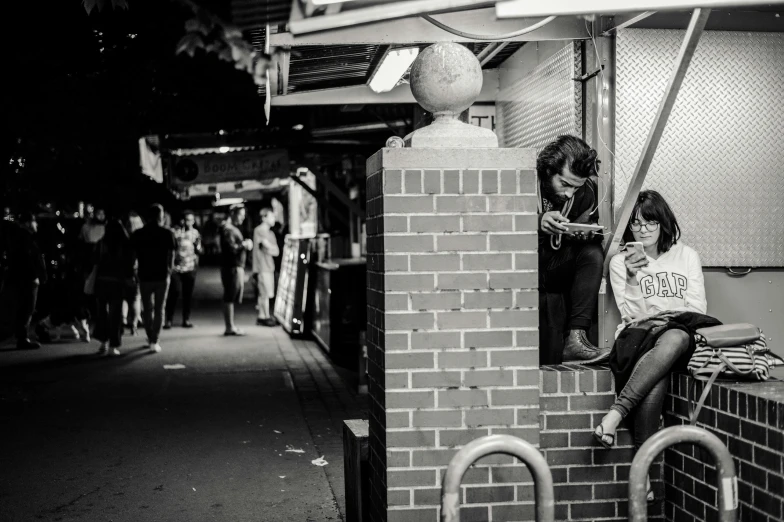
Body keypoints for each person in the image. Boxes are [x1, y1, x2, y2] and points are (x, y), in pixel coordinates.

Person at [594, 190, 710, 502]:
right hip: (638, 339)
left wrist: (665, 317)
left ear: (663, 223)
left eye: (650, 223)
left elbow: (697, 309)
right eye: (636, 224)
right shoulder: (621, 262)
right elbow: (633, 315)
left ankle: (616, 414)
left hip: (677, 336)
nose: (643, 230)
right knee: (662, 358)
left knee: (676, 336)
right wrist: (633, 278)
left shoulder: (687, 256)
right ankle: (641, 472)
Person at [537, 135, 609, 364]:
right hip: (521, 267)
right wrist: (536, 221)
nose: (569, 194)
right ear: (548, 170)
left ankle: (576, 339)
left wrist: (583, 233)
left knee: (592, 251)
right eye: (565, 184)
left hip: (554, 266)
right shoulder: (521, 181)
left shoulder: (586, 192)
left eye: (575, 188)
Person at [132, 204, 176, 353]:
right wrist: (169, 270)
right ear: (161, 216)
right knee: (159, 308)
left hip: (144, 275)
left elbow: (134, 254)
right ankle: (154, 339)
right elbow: (172, 254)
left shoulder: (139, 233)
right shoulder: (167, 233)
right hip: (162, 275)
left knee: (147, 308)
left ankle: (150, 336)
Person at [93, 219, 137, 356]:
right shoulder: (126, 245)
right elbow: (130, 265)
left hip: (101, 282)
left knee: (102, 313)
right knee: (115, 314)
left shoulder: (101, 243)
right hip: (118, 283)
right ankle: (113, 345)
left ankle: (103, 342)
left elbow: (94, 262)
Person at [6, 213, 47, 349]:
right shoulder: (24, 238)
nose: (37, 225)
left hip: (24, 278)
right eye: (34, 222)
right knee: (26, 308)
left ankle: (21, 336)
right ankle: (22, 338)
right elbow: (27, 259)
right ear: (28, 223)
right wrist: (35, 275)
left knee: (25, 308)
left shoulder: (21, 237)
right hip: (28, 279)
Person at [220, 204, 252, 336]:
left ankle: (230, 326)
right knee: (230, 296)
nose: (243, 218)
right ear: (233, 214)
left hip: (233, 266)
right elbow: (231, 249)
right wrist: (244, 245)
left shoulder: (230, 229)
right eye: (241, 215)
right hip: (232, 267)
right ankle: (229, 327)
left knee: (231, 296)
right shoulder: (228, 229)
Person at [165, 211, 201, 329]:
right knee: (174, 293)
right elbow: (171, 249)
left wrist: (198, 249)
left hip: (190, 267)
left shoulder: (195, 233)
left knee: (188, 295)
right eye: (186, 220)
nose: (188, 222)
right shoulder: (175, 232)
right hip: (176, 268)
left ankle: (186, 319)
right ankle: (168, 319)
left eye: (190, 220)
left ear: (193, 221)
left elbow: (199, 250)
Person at [252, 208, 279, 327]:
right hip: (262, 266)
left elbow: (275, 251)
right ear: (264, 218)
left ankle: (263, 316)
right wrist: (270, 248)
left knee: (265, 292)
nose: (273, 219)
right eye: (271, 216)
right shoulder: (259, 231)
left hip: (269, 266)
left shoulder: (271, 233)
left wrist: (270, 248)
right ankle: (265, 316)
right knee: (265, 293)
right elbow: (268, 248)